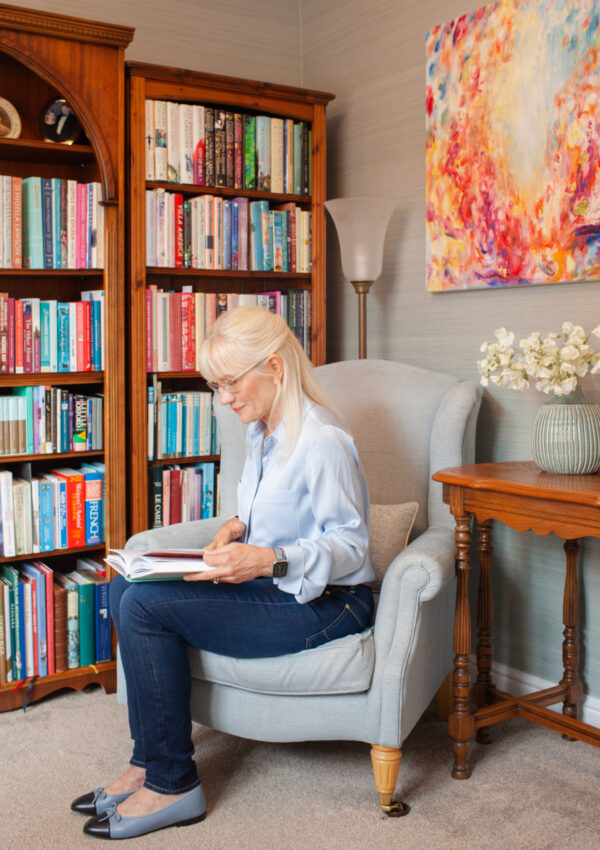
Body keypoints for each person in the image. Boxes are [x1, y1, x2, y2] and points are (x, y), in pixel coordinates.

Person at [72, 305, 375, 840]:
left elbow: (352, 547)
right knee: (126, 583)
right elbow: (280, 510)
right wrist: (239, 528)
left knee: (143, 607)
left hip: (330, 602)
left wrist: (269, 557)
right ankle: (148, 761)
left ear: (276, 368)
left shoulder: (322, 441)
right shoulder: (262, 432)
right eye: (216, 385)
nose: (224, 398)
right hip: (277, 585)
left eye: (231, 382)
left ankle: (174, 785)